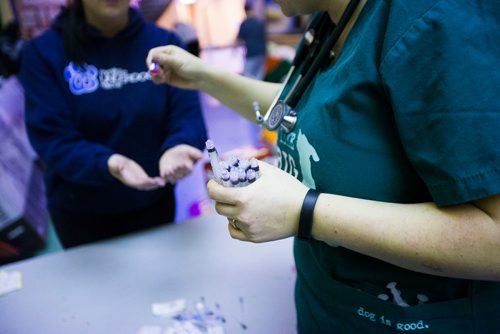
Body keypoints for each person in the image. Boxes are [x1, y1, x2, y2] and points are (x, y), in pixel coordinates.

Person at [146, 0, 500, 332]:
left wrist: (306, 212)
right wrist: (204, 77)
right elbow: (304, 109)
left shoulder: (438, 23)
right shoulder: (332, 19)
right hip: (329, 308)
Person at [19, 0, 207, 249]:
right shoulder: (43, 53)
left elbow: (187, 115)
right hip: (81, 212)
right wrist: (108, 163)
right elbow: (52, 138)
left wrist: (178, 145)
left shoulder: (165, 45)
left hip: (153, 202)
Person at [237, 4, 267, 80]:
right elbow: (264, 37)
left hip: (251, 53)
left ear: (245, 11)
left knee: (248, 78)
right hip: (262, 53)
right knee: (260, 78)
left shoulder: (245, 24)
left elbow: (239, 39)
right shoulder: (259, 22)